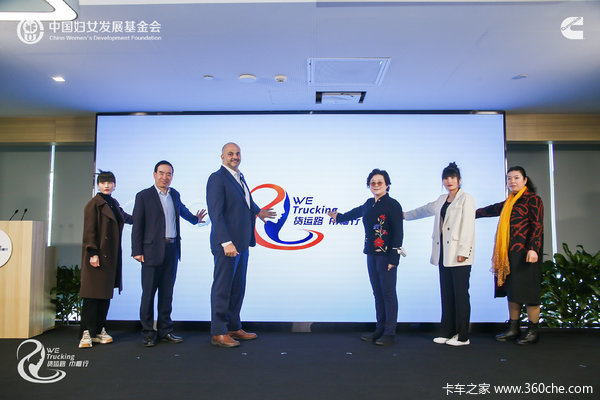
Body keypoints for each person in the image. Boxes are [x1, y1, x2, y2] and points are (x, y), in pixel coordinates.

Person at [206, 142, 275, 348]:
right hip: (227, 245)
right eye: (230, 154)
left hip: (242, 243)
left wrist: (258, 211)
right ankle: (219, 333)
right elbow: (215, 213)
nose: (234, 157)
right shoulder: (217, 178)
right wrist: (226, 242)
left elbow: (245, 201)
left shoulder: (239, 176)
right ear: (222, 157)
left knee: (237, 288)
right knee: (223, 288)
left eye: (237, 153)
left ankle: (233, 327)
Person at [131, 160, 206, 347]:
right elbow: (137, 225)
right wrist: (137, 250)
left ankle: (165, 331)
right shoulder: (143, 196)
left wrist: (195, 219)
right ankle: (148, 333)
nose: (165, 177)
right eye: (161, 173)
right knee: (148, 294)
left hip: (172, 249)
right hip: (150, 251)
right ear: (154, 174)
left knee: (167, 294)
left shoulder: (174, 194)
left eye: (169, 174)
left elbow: (182, 210)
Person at [327, 169, 403, 346]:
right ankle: (379, 329)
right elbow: (355, 213)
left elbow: (398, 233)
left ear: (387, 185)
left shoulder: (393, 204)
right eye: (372, 182)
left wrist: (394, 258)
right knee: (377, 293)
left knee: (388, 293)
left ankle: (390, 333)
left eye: (380, 182)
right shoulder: (369, 203)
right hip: (371, 253)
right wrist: (339, 217)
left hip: (386, 256)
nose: (376, 185)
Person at [403, 162, 475, 346]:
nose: (449, 181)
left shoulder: (466, 198)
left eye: (452, 177)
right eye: (446, 178)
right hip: (443, 252)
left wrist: (463, 251)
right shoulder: (442, 199)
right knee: (447, 293)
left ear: (459, 180)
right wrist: (404, 215)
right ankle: (447, 331)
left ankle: (463, 336)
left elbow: (468, 226)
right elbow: (424, 210)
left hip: (459, 254)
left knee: (460, 295)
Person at [476, 166, 544, 345]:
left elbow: (537, 225)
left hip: (527, 254)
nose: (512, 181)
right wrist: (470, 214)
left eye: (516, 177)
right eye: (509, 178)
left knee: (530, 292)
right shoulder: (509, 202)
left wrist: (533, 249)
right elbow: (491, 210)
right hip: (510, 254)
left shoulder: (533, 200)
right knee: (513, 291)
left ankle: (533, 331)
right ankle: (514, 328)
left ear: (525, 180)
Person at [79, 171, 132, 348]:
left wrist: (145, 217)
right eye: (103, 182)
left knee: (104, 296)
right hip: (96, 257)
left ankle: (99, 330)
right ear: (98, 185)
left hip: (110, 258)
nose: (107, 185)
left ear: (115, 185)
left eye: (110, 182)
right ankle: (86, 333)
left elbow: (127, 218)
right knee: (91, 297)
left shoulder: (114, 203)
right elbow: (89, 231)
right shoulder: (93, 204)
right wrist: (93, 253)